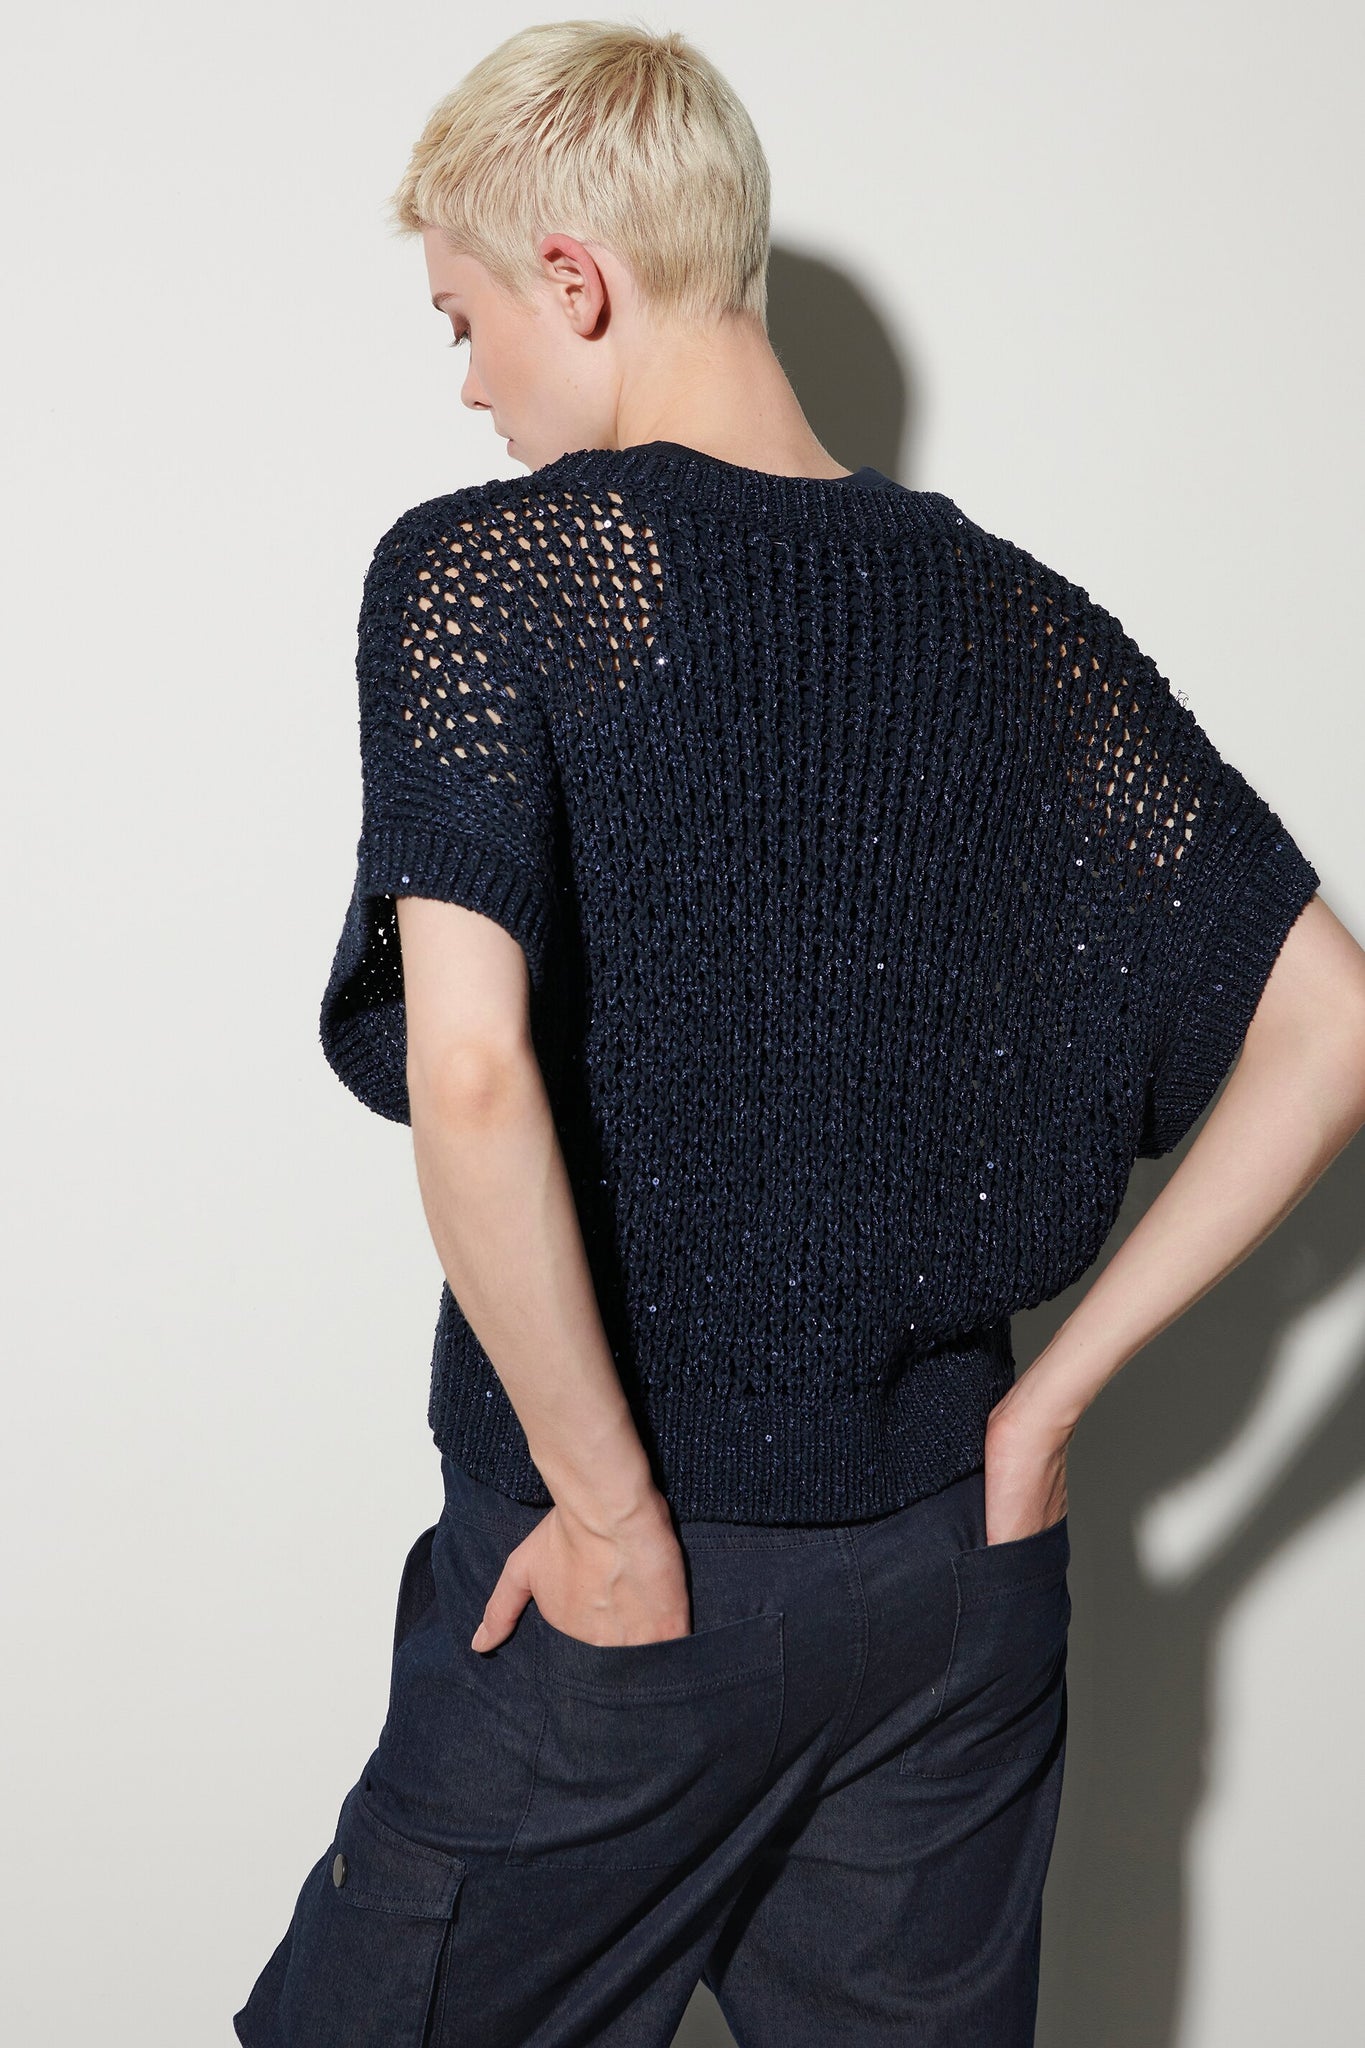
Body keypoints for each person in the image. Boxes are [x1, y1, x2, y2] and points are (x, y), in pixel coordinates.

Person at [232, 21, 1365, 2048]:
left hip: (628, 1590)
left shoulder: (491, 577)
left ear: (575, 276)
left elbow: (471, 1072)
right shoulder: (1022, 624)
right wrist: (1041, 1412)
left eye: (465, 320)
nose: (469, 384)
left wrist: (604, 1517)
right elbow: (1331, 1021)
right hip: (953, 1597)